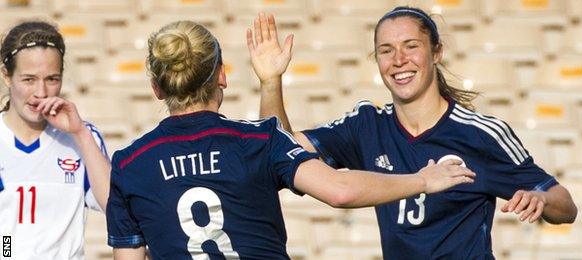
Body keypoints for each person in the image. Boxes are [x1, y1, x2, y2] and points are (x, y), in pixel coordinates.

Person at [106, 20, 476, 260]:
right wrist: (422, 180)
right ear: (221, 75)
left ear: (156, 87)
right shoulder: (256, 140)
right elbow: (339, 190)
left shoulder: (129, 163)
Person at [251, 7, 578, 259]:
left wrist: (542, 199)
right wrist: (270, 82)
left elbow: (565, 206)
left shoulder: (481, 134)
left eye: (411, 46)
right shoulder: (366, 125)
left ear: (436, 52)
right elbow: (280, 156)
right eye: (386, 50)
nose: (399, 60)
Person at [0, 21, 111, 259]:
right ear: (6, 76)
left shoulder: (83, 136)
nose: (41, 92)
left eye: (52, 79)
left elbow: (115, 208)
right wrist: (6, 250)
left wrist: (79, 133)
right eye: (28, 79)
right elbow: (5, 236)